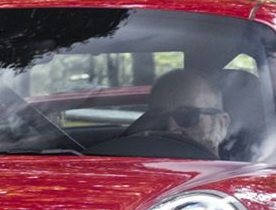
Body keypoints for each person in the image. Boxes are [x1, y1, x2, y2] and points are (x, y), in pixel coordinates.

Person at [91, 67, 229, 159]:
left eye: (186, 115)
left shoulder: (237, 177)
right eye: (159, 116)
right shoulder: (129, 171)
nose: (171, 127)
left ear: (221, 124)